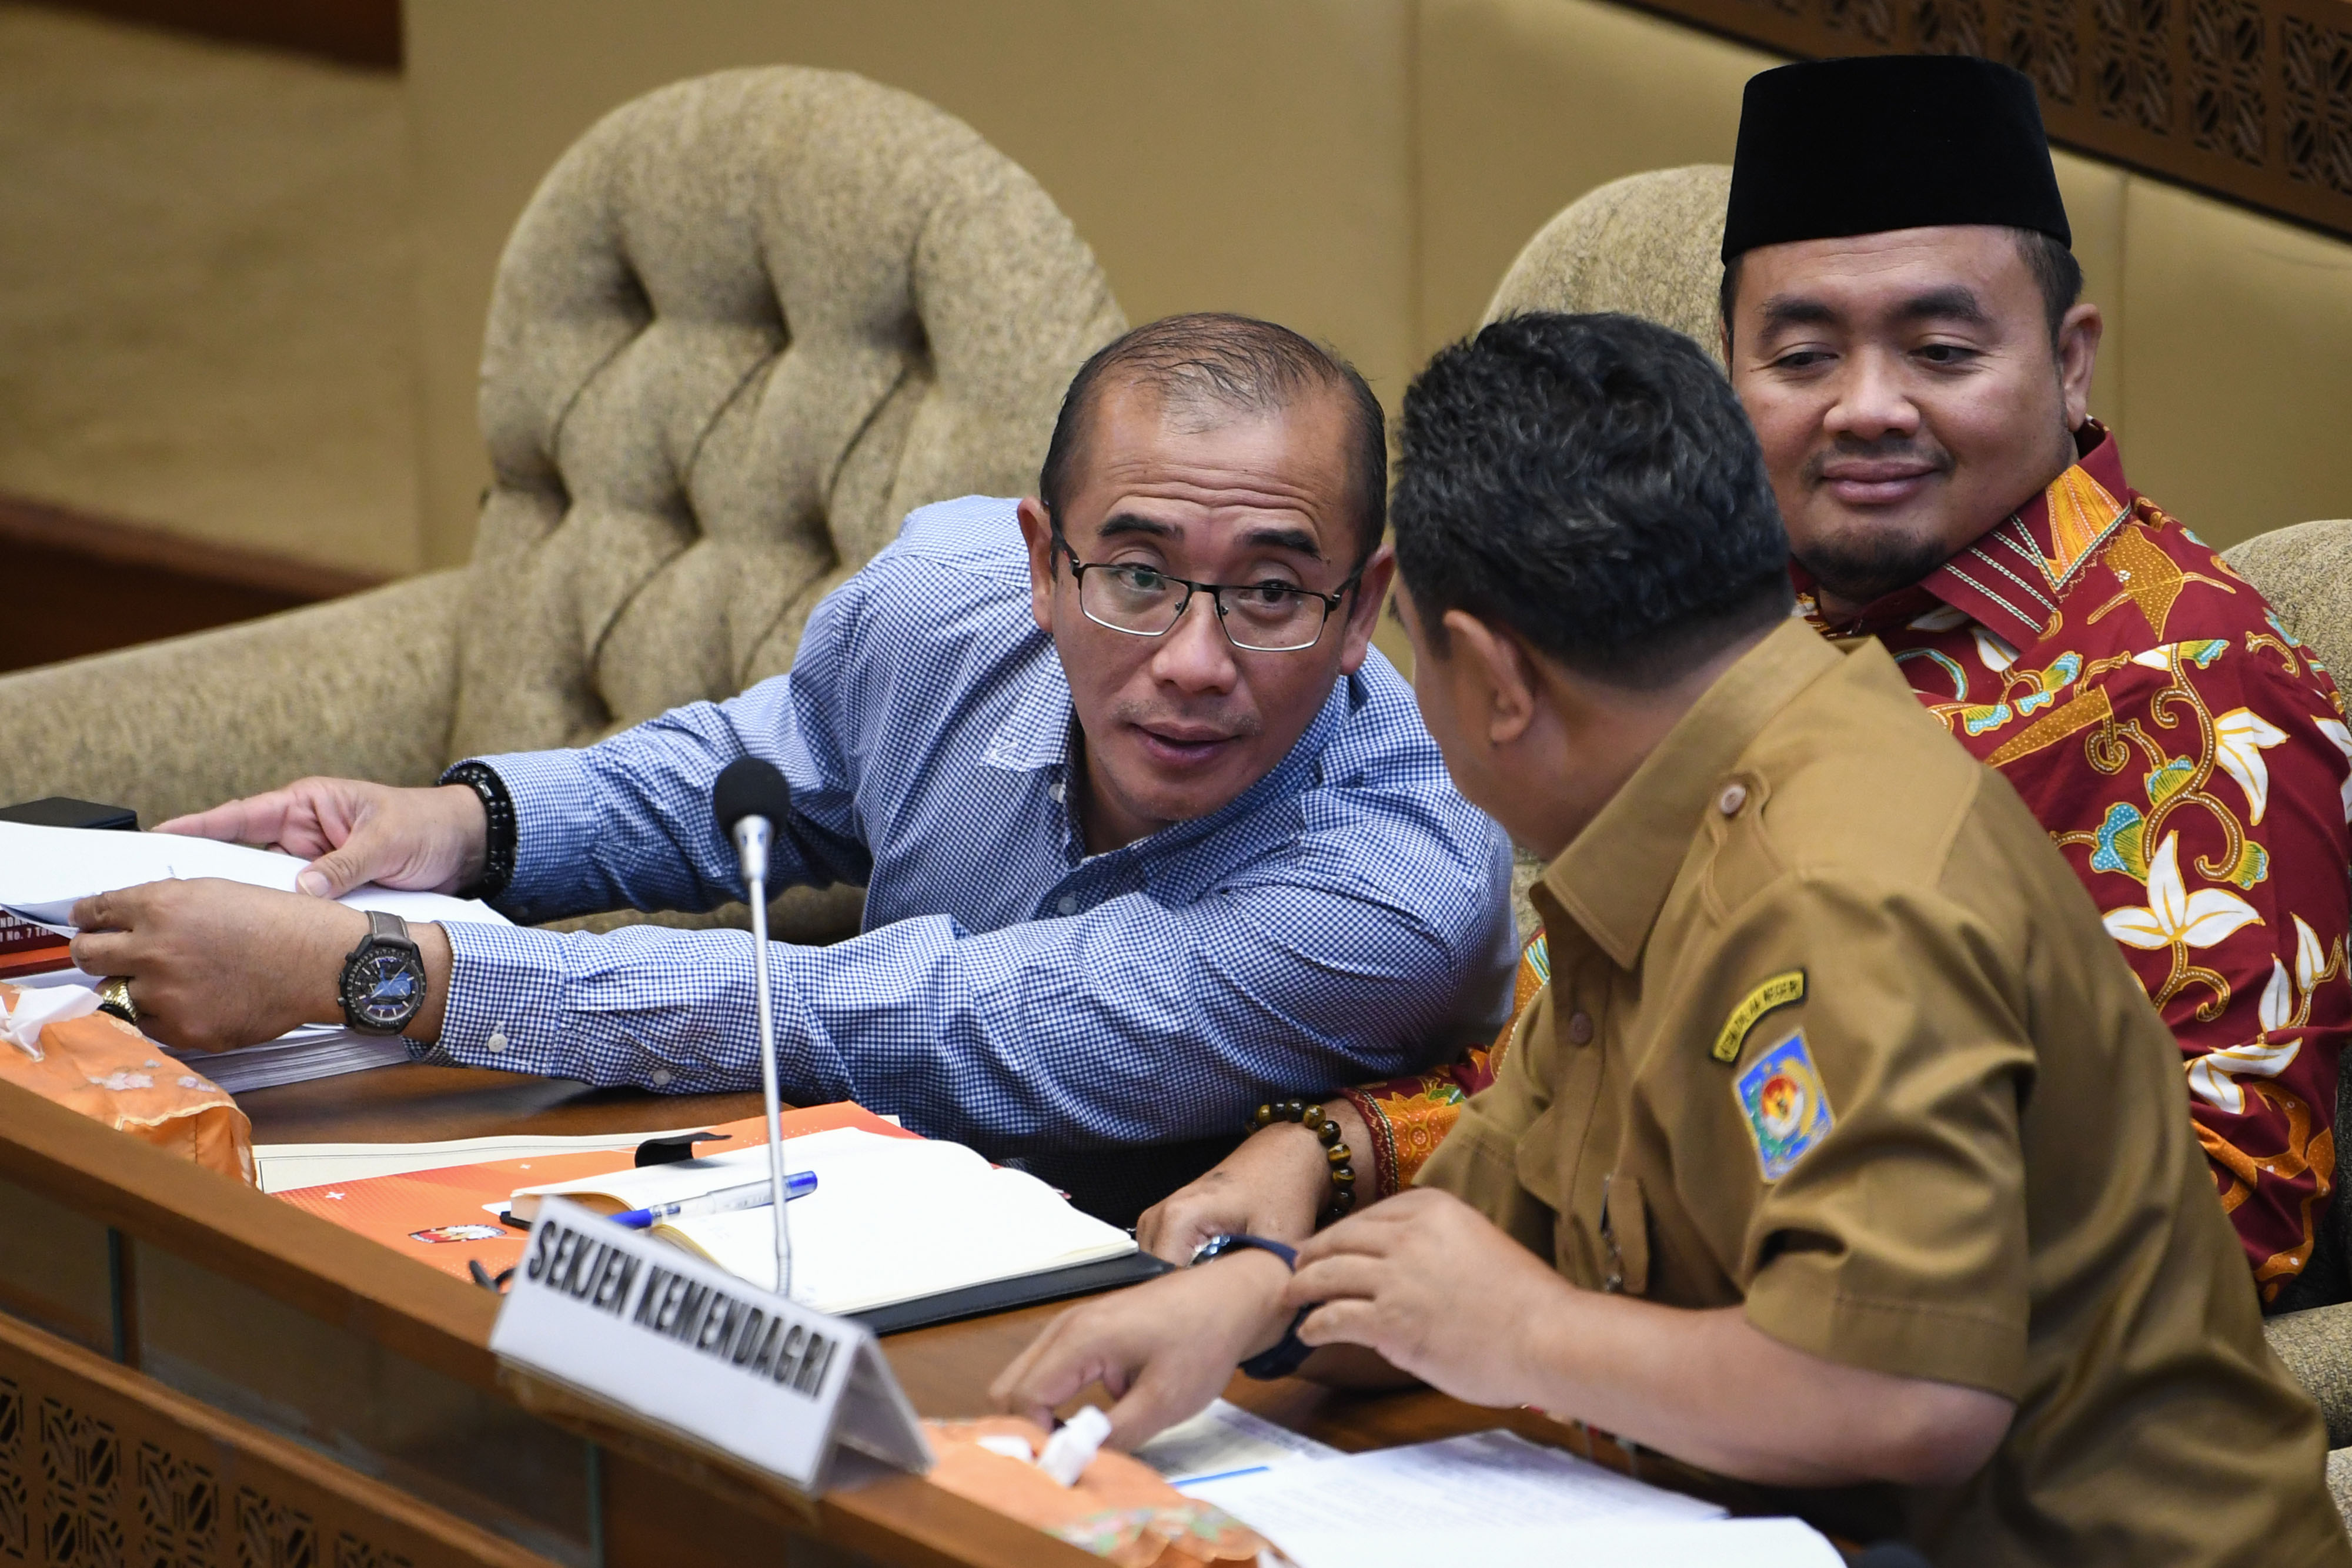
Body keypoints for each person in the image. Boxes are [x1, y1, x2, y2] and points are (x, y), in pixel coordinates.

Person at [994, 311, 2348, 1564]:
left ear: (1498, 680)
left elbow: (1910, 1393)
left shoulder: (1832, 895)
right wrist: (1248, 1303)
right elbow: (1480, 1220)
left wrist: (1524, 1331)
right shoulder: (1669, 793)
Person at [1147, 56, 2352, 1305]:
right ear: (1726, 368)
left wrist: (1644, 1328)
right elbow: (1596, 1036)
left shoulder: (2194, 696)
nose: (1866, 409)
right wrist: (1333, 1148)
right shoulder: (1729, 586)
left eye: (1940, 350)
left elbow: (2223, 1223)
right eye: (1801, 359)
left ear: (2067, 360)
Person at [67, 313, 1517, 1222]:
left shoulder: (1395, 876)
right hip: (829, 1207)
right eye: (1134, 575)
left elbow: (912, 1018)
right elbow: (774, 764)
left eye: (1270, 594)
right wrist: (463, 823)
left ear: (1363, 607)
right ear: (1037, 561)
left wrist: (381, 970)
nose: (1193, 659)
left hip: (1150, 1307)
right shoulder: (947, 592)